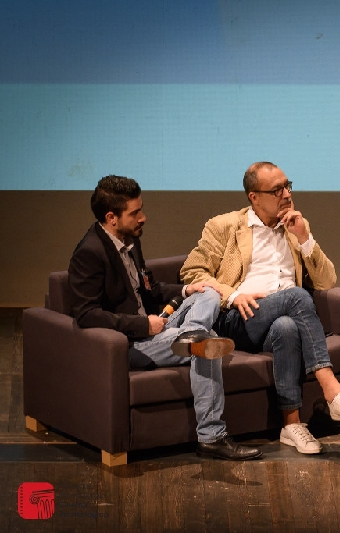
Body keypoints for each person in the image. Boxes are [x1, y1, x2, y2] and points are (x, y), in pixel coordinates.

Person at [180, 161, 340, 454]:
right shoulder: (224, 226)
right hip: (237, 317)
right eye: (276, 189)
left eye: (287, 185)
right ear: (254, 197)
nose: (286, 194)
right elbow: (192, 272)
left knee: (287, 327)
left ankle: (291, 424)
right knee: (296, 296)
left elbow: (327, 281)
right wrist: (231, 296)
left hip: (274, 322)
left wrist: (305, 238)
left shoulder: (295, 226)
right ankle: (332, 389)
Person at [68, 175, 261, 461]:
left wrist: (187, 289)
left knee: (209, 292)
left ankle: (193, 333)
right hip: (131, 342)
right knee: (205, 349)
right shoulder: (89, 253)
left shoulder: (129, 240)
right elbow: (86, 314)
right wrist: (143, 324)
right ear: (111, 217)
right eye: (135, 213)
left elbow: (150, 290)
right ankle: (211, 436)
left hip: (157, 326)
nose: (143, 218)